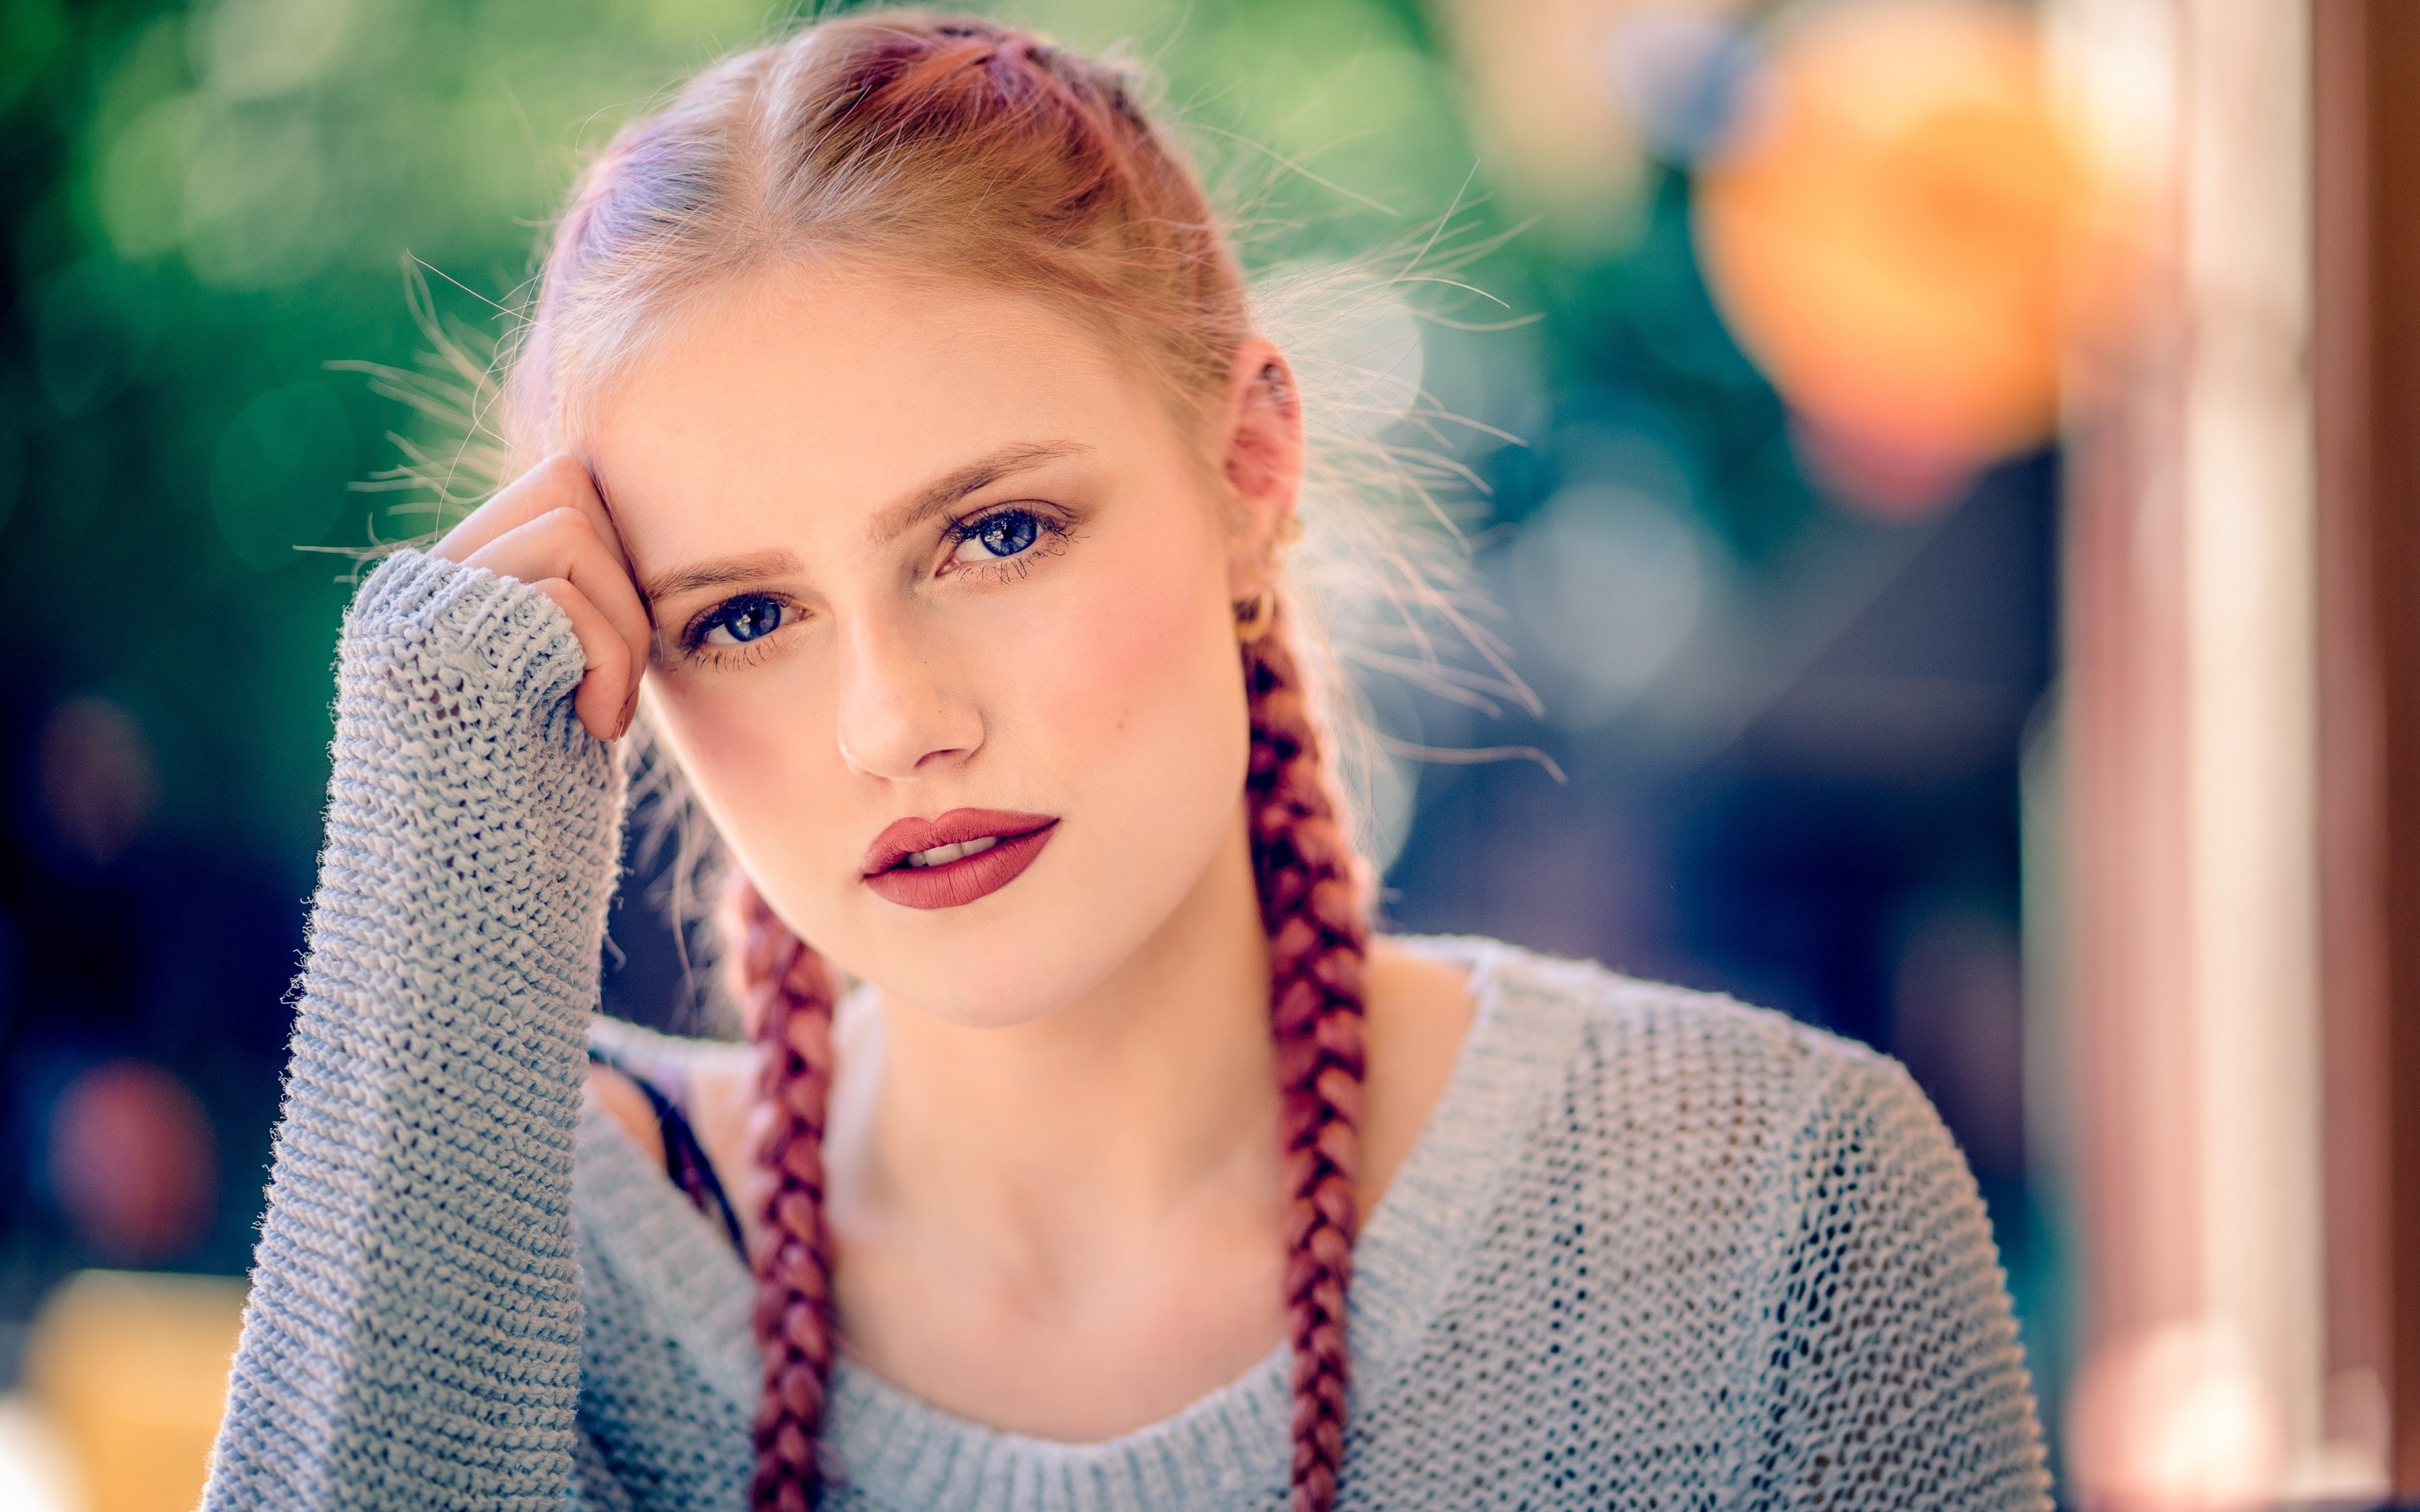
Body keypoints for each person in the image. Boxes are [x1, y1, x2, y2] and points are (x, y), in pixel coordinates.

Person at [199, 12, 2050, 1511]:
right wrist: (437, 840)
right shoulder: (524, 1275)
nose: (893, 723)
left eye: (994, 535)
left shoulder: (1764, 1225)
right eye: (745, 619)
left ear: (1250, 467)